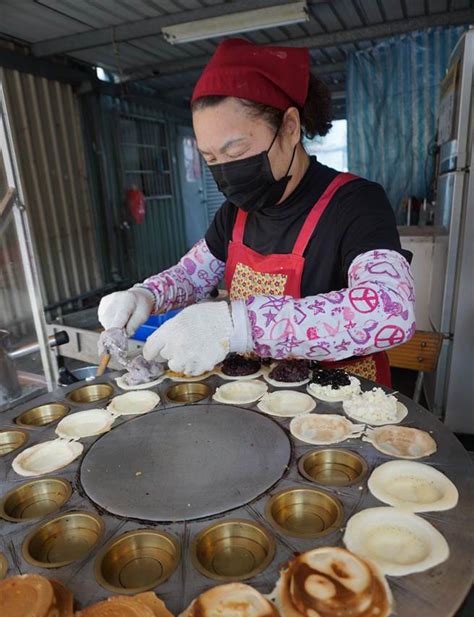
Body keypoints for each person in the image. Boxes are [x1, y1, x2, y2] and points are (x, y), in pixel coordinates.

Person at [98, 38, 415, 386]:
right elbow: (192, 275)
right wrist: (146, 295)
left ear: (290, 128)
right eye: (211, 159)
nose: (224, 171)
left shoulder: (356, 204)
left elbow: (390, 310)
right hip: (255, 403)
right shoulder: (235, 214)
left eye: (235, 152)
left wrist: (240, 325)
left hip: (343, 404)